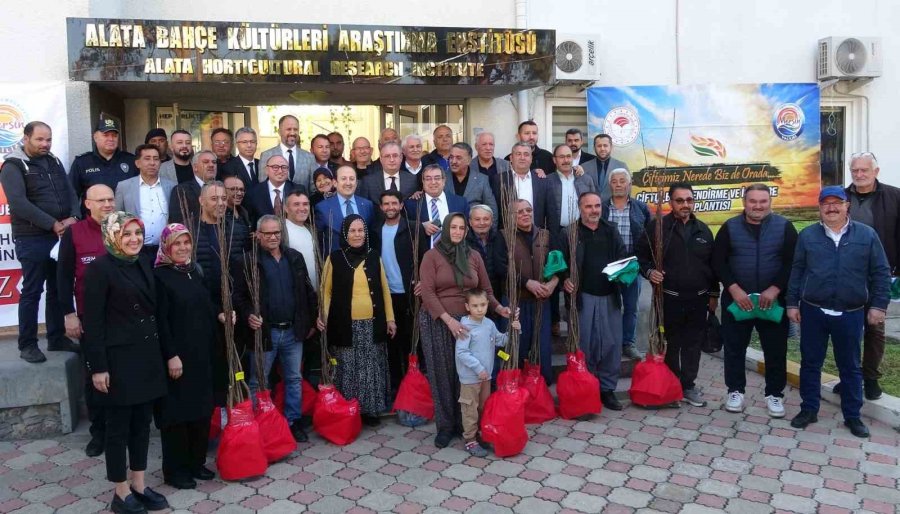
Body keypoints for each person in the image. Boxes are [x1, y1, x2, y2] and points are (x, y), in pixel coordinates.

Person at [82, 212, 169, 514]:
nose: (133, 239)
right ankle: (120, 493)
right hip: (117, 362)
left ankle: (139, 485)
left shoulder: (143, 261)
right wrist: (98, 367)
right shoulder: (100, 270)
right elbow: (92, 323)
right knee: (118, 429)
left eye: (137, 233)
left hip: (146, 357)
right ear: (112, 236)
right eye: (126, 234)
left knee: (142, 426)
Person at [787, 186, 890, 438]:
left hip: (851, 312)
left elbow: (880, 272)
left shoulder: (866, 235)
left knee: (851, 366)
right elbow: (797, 270)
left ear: (847, 206)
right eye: (826, 203)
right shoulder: (808, 236)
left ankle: (852, 416)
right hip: (813, 311)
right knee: (810, 363)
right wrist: (791, 303)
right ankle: (809, 409)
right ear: (819, 208)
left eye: (837, 203)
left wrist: (878, 305)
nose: (831, 208)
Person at [419, 212, 510, 448]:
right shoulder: (432, 256)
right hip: (439, 322)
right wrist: (449, 321)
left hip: (471, 324)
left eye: (462, 228)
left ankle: (467, 426)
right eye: (454, 227)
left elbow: (486, 290)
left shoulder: (474, 256)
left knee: (469, 377)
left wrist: (500, 309)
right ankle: (446, 426)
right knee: (443, 374)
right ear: (446, 229)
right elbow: (427, 292)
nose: (458, 232)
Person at [713, 184, 797, 418]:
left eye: (763, 201)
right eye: (753, 201)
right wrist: (734, 289)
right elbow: (718, 261)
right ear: (744, 203)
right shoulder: (729, 227)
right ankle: (735, 391)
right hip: (737, 301)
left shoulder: (784, 227)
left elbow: (792, 262)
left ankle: (774, 395)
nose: (757, 206)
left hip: (772, 302)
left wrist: (775, 288)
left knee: (775, 350)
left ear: (769, 202)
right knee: (734, 349)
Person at [0, 121, 80, 363]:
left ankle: (56, 338)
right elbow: (19, 204)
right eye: (39, 140)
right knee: (32, 291)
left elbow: (70, 191)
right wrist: (53, 224)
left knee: (57, 288)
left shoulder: (54, 161)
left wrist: (74, 217)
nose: (45, 144)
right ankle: (27, 344)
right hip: (33, 238)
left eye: (48, 140)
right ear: (26, 138)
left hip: (61, 236)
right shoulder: (13, 166)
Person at [235, 215, 318, 441]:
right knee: (258, 380)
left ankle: (293, 422)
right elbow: (239, 297)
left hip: (292, 330)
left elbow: (307, 292)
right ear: (258, 235)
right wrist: (249, 314)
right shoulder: (249, 261)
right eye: (268, 233)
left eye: (276, 233)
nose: (273, 237)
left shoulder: (294, 257)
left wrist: (311, 321)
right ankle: (259, 423)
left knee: (293, 378)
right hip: (265, 332)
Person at [636, 182, 718, 407]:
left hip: (698, 299)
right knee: (670, 344)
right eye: (680, 200)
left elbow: (713, 266)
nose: (685, 205)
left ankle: (688, 386)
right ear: (671, 202)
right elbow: (641, 257)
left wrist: (713, 295)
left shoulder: (703, 230)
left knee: (693, 345)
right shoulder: (657, 227)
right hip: (668, 298)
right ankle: (671, 387)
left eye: (689, 200)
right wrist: (650, 272)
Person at [153, 224, 218, 489]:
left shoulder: (194, 271)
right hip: (178, 358)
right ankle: (175, 471)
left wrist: (221, 313)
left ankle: (196, 462)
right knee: (177, 415)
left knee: (201, 411)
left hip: (202, 354)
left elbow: (204, 303)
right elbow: (161, 321)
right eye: (176, 244)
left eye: (186, 243)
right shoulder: (160, 276)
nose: (182, 248)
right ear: (166, 247)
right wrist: (171, 355)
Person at [318, 215, 396, 426]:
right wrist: (322, 316)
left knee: (370, 367)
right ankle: (350, 409)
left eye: (361, 230)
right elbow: (326, 292)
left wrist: (390, 319)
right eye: (352, 231)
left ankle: (370, 410)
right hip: (344, 324)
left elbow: (385, 290)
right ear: (345, 233)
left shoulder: (373, 256)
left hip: (372, 323)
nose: (357, 234)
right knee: (349, 368)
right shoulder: (334, 258)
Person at [57, 184, 116, 456]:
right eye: (101, 200)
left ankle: (121, 430)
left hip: (122, 318)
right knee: (96, 378)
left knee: (122, 377)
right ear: (87, 204)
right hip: (89, 319)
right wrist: (68, 313)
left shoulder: (121, 227)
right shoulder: (74, 233)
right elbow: (63, 277)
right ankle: (99, 434)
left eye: (110, 199)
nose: (107, 204)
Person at [842, 152, 900, 400]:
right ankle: (850, 377)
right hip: (845, 275)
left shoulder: (895, 196)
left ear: (876, 171)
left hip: (880, 274)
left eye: (864, 170)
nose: (859, 174)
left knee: (874, 327)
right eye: (855, 170)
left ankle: (871, 378)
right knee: (847, 329)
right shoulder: (841, 197)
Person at [564, 192, 628, 410]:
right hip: (584, 297)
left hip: (609, 295)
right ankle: (588, 388)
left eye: (597, 206)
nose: (593, 210)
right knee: (586, 344)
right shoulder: (570, 232)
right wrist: (565, 279)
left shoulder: (611, 230)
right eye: (588, 206)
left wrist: (623, 272)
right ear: (580, 208)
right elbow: (560, 262)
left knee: (611, 344)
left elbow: (622, 256)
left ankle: (607, 390)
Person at [195, 181, 251, 406]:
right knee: (212, 369)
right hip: (206, 313)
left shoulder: (238, 229)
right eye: (213, 199)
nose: (220, 203)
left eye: (223, 199)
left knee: (238, 366)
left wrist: (239, 308)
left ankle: (238, 414)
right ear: (201, 201)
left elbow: (245, 272)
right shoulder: (192, 231)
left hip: (236, 312)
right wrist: (217, 311)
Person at [455, 288, 520, 457]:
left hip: (486, 377)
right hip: (470, 378)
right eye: (475, 305)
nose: (480, 309)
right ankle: (470, 439)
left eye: (483, 305)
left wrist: (514, 330)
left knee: (484, 406)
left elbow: (500, 340)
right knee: (470, 408)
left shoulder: (489, 324)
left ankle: (483, 434)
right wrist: (479, 369)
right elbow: (462, 353)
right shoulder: (465, 327)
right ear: (467, 307)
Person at [546, 143, 598, 335]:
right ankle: (555, 322)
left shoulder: (584, 179)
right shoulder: (547, 181)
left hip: (581, 233)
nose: (566, 160)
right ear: (555, 160)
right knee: (557, 273)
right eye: (561, 157)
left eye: (569, 156)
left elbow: (595, 203)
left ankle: (578, 319)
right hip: (556, 234)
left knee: (578, 275)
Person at [601, 169, 651, 361]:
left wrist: (644, 263)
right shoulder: (603, 208)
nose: (619, 184)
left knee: (631, 307)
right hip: (609, 267)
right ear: (610, 185)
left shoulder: (641, 208)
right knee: (609, 307)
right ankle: (609, 343)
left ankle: (628, 343)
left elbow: (649, 237)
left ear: (630, 184)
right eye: (615, 181)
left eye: (623, 181)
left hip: (632, 266)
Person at [371, 191, 418, 393]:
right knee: (391, 345)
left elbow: (423, 257)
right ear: (381, 207)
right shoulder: (375, 231)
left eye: (394, 203)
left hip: (408, 295)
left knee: (411, 344)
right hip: (385, 296)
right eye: (386, 204)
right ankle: (395, 391)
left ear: (401, 205)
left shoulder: (413, 229)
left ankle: (412, 389)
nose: (390, 207)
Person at [513, 199, 561, 385]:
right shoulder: (504, 236)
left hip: (542, 301)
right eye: (519, 212)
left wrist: (554, 282)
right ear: (511, 216)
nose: (525, 214)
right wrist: (526, 283)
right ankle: (517, 390)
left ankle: (542, 389)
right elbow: (501, 268)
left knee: (541, 348)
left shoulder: (546, 235)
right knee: (518, 348)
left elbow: (559, 265)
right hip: (516, 302)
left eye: (528, 210)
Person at [115, 144, 174, 258]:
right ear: (137, 163)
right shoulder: (124, 186)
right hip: (135, 249)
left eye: (156, 159)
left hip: (164, 249)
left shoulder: (171, 186)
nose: (152, 163)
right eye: (147, 158)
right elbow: (117, 218)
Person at [69, 115, 138, 206]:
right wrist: (75, 217)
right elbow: (72, 195)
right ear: (95, 137)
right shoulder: (82, 163)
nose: (111, 139)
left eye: (114, 135)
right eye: (106, 135)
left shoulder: (131, 161)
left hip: (123, 218)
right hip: (93, 219)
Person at [405, 164, 469, 250]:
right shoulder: (411, 205)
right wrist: (421, 226)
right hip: (425, 258)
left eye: (437, 178)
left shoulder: (460, 203)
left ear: (444, 181)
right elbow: (404, 228)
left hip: (455, 257)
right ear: (423, 182)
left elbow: (467, 230)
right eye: (428, 179)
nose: (433, 182)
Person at [492, 142, 553, 233]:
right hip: (508, 235)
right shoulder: (498, 180)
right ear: (511, 158)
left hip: (537, 235)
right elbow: (495, 209)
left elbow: (550, 211)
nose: (522, 158)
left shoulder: (542, 180)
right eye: (518, 154)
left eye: (526, 154)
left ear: (531, 158)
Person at [315, 165, 375, 252]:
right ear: (335, 183)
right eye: (343, 179)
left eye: (351, 179)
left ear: (356, 183)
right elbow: (319, 242)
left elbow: (371, 236)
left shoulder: (367, 205)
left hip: (363, 262)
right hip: (336, 262)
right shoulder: (322, 208)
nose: (348, 183)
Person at [466, 205, 508, 315]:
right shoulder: (464, 241)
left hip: (498, 292)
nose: (482, 223)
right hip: (473, 296)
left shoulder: (500, 237)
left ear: (491, 221)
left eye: (486, 219)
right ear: (470, 222)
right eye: (477, 219)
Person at [445, 142, 498, 224]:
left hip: (474, 232)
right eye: (451, 157)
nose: (453, 161)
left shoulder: (481, 179)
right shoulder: (442, 178)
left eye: (458, 158)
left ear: (469, 160)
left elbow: (492, 209)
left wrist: (490, 234)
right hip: (449, 230)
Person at [260, 115, 313, 190]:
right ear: (279, 132)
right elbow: (263, 186)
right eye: (288, 129)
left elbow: (313, 189)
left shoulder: (309, 157)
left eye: (295, 129)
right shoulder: (266, 155)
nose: (292, 133)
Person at [168, 150, 216, 225]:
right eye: (206, 162)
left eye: (214, 162)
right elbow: (177, 223)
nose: (211, 165)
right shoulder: (181, 190)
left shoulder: (222, 189)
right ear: (195, 167)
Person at [245, 155, 297, 225]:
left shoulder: (297, 190)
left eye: (284, 167)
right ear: (266, 170)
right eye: (275, 167)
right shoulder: (253, 192)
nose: (280, 171)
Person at [284, 190, 318, 287]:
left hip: (314, 293)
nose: (302, 208)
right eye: (296, 204)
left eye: (305, 204)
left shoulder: (311, 229)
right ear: (286, 208)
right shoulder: (280, 229)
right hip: (294, 291)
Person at [581, 134, 628, 202]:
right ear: (594, 148)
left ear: (611, 147)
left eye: (605, 145)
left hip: (614, 209)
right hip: (592, 209)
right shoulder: (584, 167)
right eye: (599, 146)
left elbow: (627, 190)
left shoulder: (622, 166)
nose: (602, 149)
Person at [218, 127, 260, 191]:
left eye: (252, 141)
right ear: (237, 144)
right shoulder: (228, 167)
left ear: (256, 144)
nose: (249, 145)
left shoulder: (262, 164)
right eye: (244, 142)